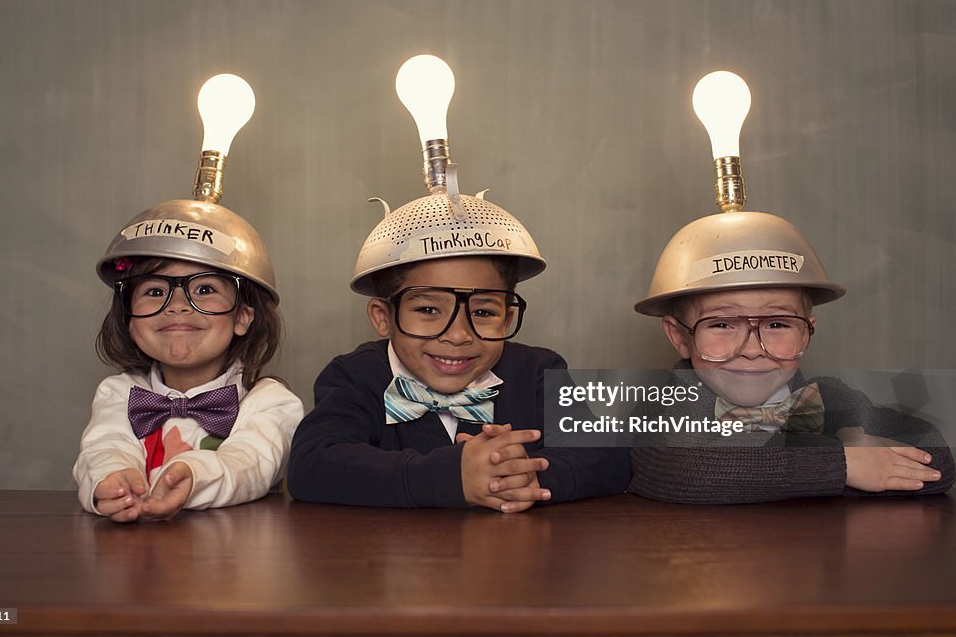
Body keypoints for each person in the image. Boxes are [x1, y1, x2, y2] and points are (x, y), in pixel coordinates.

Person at [288, 186, 631, 512]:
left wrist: (521, 476)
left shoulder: (537, 370)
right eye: (428, 310)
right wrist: (449, 477)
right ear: (383, 317)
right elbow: (312, 465)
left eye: (483, 313)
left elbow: (608, 457)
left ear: (507, 318)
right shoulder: (356, 375)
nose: (458, 335)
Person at [629, 210, 954, 503]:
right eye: (722, 324)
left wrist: (843, 448)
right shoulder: (660, 407)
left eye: (777, 324)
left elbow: (934, 457)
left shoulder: (830, 398)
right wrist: (844, 463)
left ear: (806, 333)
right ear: (679, 337)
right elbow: (684, 469)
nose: (752, 350)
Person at [74, 199, 303, 522]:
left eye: (204, 289)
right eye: (155, 292)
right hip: (135, 550)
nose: (178, 304)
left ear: (242, 316)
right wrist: (112, 480)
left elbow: (249, 463)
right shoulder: (118, 393)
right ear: (129, 320)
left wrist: (194, 475)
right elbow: (104, 448)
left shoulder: (272, 403)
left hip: (234, 549)